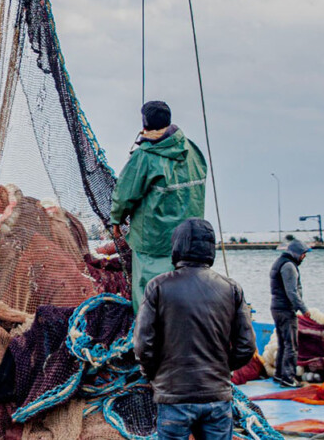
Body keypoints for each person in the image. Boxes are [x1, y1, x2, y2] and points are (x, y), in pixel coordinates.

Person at [135, 218, 255, 440]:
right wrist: (221, 368)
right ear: (211, 249)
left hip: (173, 398)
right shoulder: (232, 289)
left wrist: (153, 375)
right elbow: (246, 346)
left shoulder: (158, 286)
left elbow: (143, 344)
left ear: (176, 246)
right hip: (217, 396)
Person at [109, 100, 207, 314]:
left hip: (153, 244)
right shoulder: (191, 149)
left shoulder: (144, 156)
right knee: (187, 294)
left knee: (149, 299)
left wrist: (116, 220)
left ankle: (146, 341)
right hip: (192, 242)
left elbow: (124, 194)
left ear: (144, 125)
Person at [269, 239, 310, 387]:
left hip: (276, 308)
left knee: (282, 343)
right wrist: (304, 309)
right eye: (303, 254)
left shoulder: (279, 262)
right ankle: (288, 378)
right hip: (285, 310)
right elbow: (292, 292)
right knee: (291, 345)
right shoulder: (289, 267)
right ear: (297, 253)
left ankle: (279, 374)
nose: (304, 258)